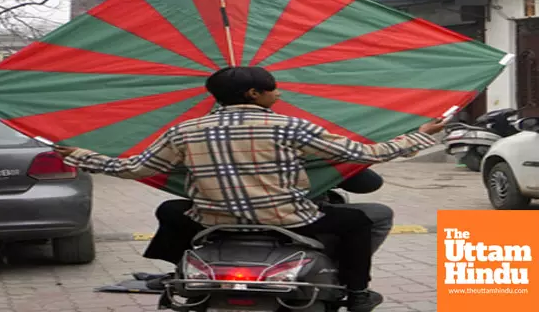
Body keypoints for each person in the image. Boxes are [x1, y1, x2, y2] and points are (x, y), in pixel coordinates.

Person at [55, 66, 445, 312]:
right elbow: (366, 152)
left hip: (212, 221)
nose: (278, 94)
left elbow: (134, 169)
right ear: (253, 95)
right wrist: (421, 136)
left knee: (172, 209)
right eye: (273, 89)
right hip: (291, 219)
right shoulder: (290, 127)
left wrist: (81, 155)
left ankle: (174, 271)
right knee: (361, 219)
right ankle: (357, 293)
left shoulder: (184, 130)